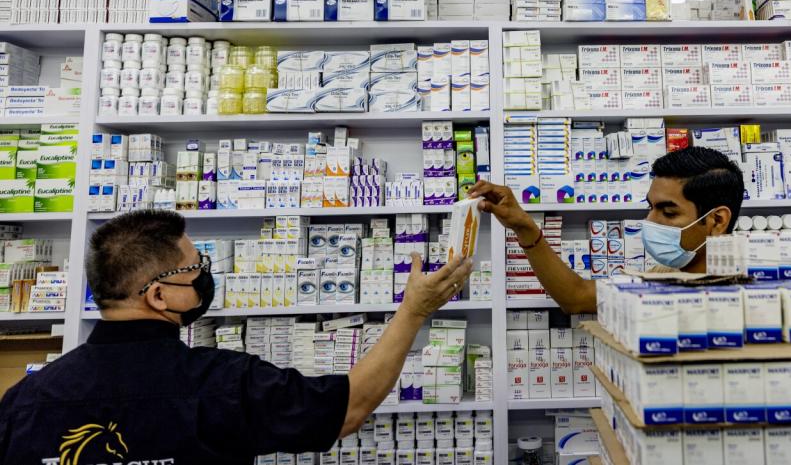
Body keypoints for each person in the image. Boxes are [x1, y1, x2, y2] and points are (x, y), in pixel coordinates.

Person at [0, 210, 472, 464]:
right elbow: (349, 407)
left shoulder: (24, 400)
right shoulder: (221, 382)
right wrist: (415, 309)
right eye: (196, 269)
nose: (207, 276)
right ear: (159, 295)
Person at [471, 146, 745, 314]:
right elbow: (575, 298)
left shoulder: (755, 294)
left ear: (717, 221)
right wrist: (524, 226)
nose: (650, 221)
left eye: (668, 212)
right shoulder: (664, 275)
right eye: (650, 208)